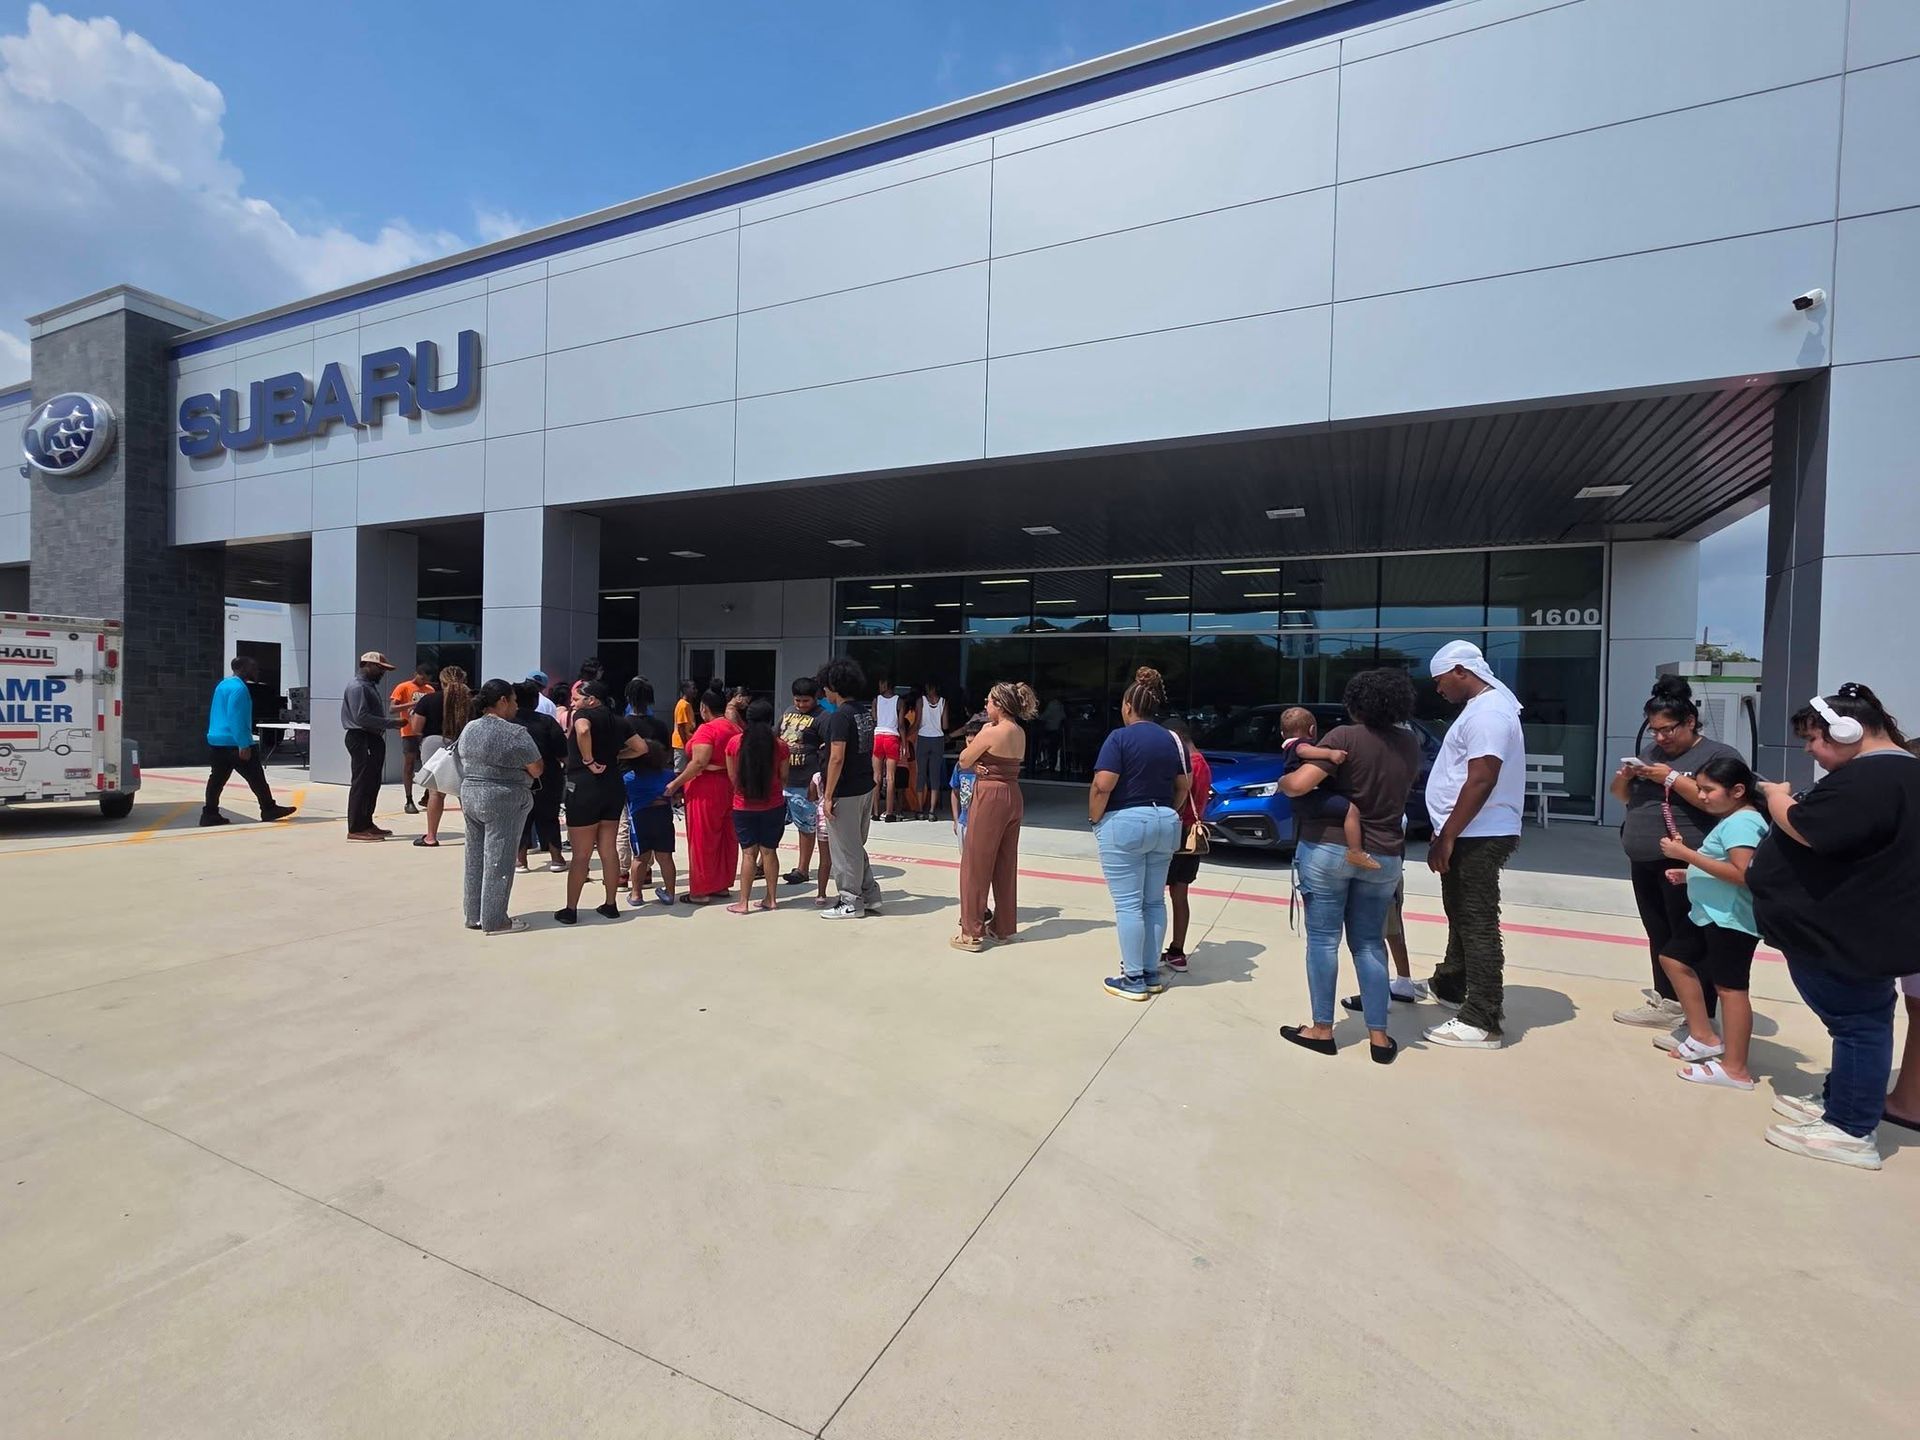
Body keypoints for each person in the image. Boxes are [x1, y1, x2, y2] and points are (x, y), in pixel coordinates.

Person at [1749, 684, 1920, 1171]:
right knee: (1854, 1022)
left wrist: (1777, 797)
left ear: (1847, 731)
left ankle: (1850, 1127)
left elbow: (1811, 828)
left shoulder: (1875, 777)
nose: (1809, 751)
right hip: (1854, 926)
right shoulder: (1891, 773)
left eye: (1813, 740)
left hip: (1848, 931)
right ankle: (1840, 1100)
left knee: (1859, 1024)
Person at [1277, 669, 1423, 1062]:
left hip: (1327, 849)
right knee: (1370, 944)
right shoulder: (1410, 744)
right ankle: (1379, 1037)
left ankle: (1322, 1029)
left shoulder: (1343, 737)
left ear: (1355, 702)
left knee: (1324, 941)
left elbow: (1300, 784)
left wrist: (1284, 783)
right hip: (1384, 854)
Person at [1609, 675, 1742, 1034]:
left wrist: (1669, 778)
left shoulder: (1717, 755)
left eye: (1668, 730)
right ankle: (1668, 1001)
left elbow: (1723, 801)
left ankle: (1697, 1014)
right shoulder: (1652, 754)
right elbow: (1622, 797)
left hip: (1687, 860)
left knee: (1690, 938)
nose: (1660, 738)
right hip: (1645, 857)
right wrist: (1626, 776)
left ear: (1690, 722)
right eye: (1654, 730)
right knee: (1659, 931)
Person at [1421, 640, 1527, 1050]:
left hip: (1478, 832)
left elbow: (1482, 778)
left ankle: (1483, 1017)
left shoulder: (1490, 711)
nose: (1438, 689)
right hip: (1467, 829)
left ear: (1461, 670)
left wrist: (1447, 835)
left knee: (1477, 919)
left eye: (1440, 680)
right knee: (1459, 911)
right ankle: (1451, 982)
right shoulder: (1484, 707)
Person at [1653, 756, 1770, 1090]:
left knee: (1731, 989)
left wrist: (1687, 856)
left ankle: (1736, 1069)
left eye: (1708, 790)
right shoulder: (1734, 819)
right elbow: (1722, 865)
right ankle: (1703, 1034)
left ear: (1737, 791)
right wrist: (1692, 873)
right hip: (1709, 913)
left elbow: (1742, 874)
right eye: (1700, 788)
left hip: (1729, 917)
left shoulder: (1742, 823)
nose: (1701, 796)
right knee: (1674, 958)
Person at [1090, 668, 1190, 999]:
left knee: (1128, 904)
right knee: (1153, 901)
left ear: (1129, 706)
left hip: (1127, 821)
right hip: (1165, 820)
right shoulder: (1173, 739)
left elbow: (1103, 785)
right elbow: (1183, 785)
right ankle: (1149, 972)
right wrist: (1169, 811)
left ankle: (1131, 978)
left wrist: (1095, 819)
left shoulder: (1119, 738)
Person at [455, 679, 543, 935]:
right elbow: (536, 768)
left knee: (474, 857)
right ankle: (495, 920)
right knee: (500, 860)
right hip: (504, 797)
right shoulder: (514, 732)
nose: (516, 706)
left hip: (470, 793)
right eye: (514, 700)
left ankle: (474, 914)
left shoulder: (469, 728)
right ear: (502, 700)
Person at [952, 681, 1035, 951]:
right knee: (1005, 862)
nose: (985, 705)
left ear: (999, 705)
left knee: (975, 863)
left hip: (990, 796)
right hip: (1013, 793)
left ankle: (971, 932)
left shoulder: (991, 732)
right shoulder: (1020, 732)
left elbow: (964, 759)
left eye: (988, 701)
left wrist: (982, 744)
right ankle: (1002, 927)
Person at [555, 680, 626, 924]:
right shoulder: (617, 719)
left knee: (581, 854)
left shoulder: (583, 714)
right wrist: (615, 756)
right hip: (613, 786)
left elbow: (583, 730)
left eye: (576, 699)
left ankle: (571, 909)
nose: (572, 704)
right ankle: (610, 903)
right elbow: (639, 747)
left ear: (591, 699)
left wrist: (588, 760)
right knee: (608, 849)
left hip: (584, 787)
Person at [818, 656, 882, 919]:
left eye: (826, 687)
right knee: (854, 845)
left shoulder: (840, 717)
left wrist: (829, 795)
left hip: (846, 791)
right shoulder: (863, 712)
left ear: (834, 686)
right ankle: (870, 894)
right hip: (865, 786)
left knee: (844, 850)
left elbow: (837, 757)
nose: (824, 692)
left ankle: (849, 901)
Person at [200, 656, 296, 827]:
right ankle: (268, 808)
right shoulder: (240, 689)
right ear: (243, 669)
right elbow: (237, 718)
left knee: (216, 780)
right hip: (235, 742)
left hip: (217, 741)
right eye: (254, 668)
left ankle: (210, 813)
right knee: (256, 778)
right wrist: (244, 744)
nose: (257, 671)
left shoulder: (223, 685)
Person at [663, 688, 739, 904]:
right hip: (729, 786)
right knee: (727, 837)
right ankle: (722, 884)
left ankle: (701, 890)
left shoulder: (707, 730)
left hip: (705, 789)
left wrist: (675, 783)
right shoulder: (734, 727)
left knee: (702, 839)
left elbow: (698, 762)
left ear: (704, 708)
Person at [1276, 708, 1372, 870]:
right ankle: (1356, 851)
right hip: (1311, 793)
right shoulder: (1300, 744)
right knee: (1351, 811)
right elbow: (1303, 750)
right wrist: (1329, 754)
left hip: (1300, 799)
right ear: (1313, 730)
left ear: (1282, 734)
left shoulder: (1287, 746)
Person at [725, 698, 790, 914]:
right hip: (773, 805)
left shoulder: (734, 743)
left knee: (749, 854)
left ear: (747, 719)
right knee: (769, 852)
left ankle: (743, 902)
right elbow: (784, 777)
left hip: (743, 806)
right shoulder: (780, 746)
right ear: (771, 719)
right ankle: (771, 899)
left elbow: (732, 778)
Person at [1161, 714, 1212, 974]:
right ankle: (1177, 950)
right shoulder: (1203, 762)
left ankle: (1149, 951)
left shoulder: (1187, 764)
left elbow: (1178, 794)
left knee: (1153, 895)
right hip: (1193, 833)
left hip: (1176, 831)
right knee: (1180, 894)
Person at [618, 676, 676, 905]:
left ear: (629, 698)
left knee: (626, 828)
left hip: (631, 783)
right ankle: (658, 881)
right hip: (658, 789)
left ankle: (626, 876)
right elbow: (667, 754)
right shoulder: (659, 726)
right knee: (665, 853)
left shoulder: (623, 724)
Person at [340, 650, 400, 841]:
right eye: (380, 668)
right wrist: (391, 723)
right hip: (361, 737)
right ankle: (356, 827)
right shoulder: (358, 687)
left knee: (372, 782)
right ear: (368, 665)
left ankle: (366, 822)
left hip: (370, 738)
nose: (382, 672)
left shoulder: (368, 685)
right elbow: (361, 717)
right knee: (362, 782)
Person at [411, 666, 472, 849]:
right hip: (462, 743)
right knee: (465, 789)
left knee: (435, 792)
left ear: (441, 681)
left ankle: (431, 836)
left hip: (433, 743)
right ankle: (473, 834)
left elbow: (416, 728)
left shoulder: (429, 700)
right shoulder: (470, 702)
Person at [511, 680, 567, 874]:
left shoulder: (507, 723)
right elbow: (562, 751)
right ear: (535, 700)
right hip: (548, 775)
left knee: (520, 817)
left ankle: (520, 860)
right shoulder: (546, 721)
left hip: (516, 777)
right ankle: (556, 858)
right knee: (549, 816)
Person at [778, 678, 827, 885]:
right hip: (782, 781)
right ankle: (764, 863)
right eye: (797, 700)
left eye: (805, 701)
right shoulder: (788, 712)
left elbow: (828, 751)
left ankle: (802, 869)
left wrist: (816, 784)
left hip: (804, 782)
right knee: (774, 824)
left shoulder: (823, 717)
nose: (800, 705)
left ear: (815, 698)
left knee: (806, 827)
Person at [389, 661, 437, 815]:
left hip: (426, 732)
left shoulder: (430, 690)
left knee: (432, 765)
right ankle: (408, 799)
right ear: (416, 674)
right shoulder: (403, 687)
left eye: (426, 679)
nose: (424, 682)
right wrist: (412, 703)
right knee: (409, 764)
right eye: (422, 678)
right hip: (409, 731)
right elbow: (392, 708)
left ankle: (428, 794)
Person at [913, 680, 951, 821]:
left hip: (923, 737)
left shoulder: (921, 701)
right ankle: (932, 811)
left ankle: (920, 809)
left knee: (921, 774)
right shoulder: (943, 702)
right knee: (935, 775)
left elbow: (917, 722)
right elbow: (945, 724)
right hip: (938, 739)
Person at [873, 673, 903, 822]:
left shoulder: (876, 700)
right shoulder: (899, 701)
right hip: (892, 737)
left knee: (876, 776)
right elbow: (901, 724)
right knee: (890, 777)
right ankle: (889, 812)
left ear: (884, 684)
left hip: (878, 736)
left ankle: (875, 811)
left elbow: (875, 718)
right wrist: (904, 743)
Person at [671, 680, 698, 774]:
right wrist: (686, 744)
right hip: (681, 744)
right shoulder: (683, 705)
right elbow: (680, 727)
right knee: (680, 771)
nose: (695, 691)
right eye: (693, 688)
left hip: (686, 742)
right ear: (685, 690)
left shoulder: (687, 705)